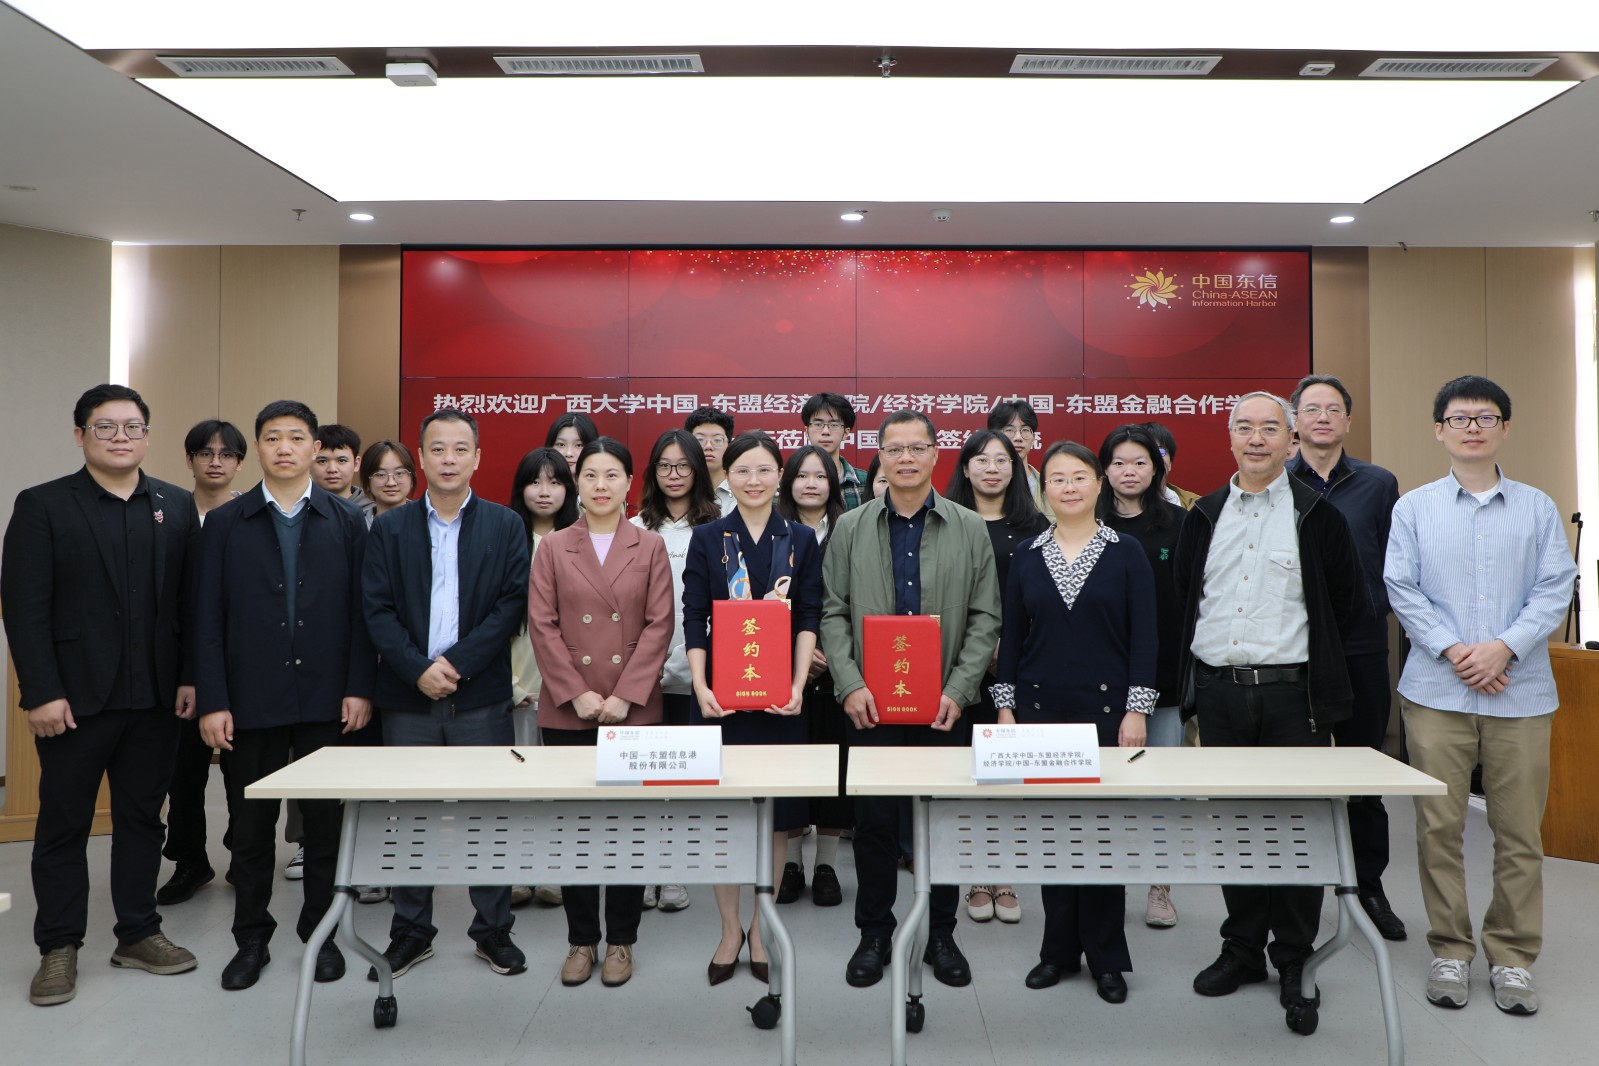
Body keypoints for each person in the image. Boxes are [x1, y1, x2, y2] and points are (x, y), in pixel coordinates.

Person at [1384, 375, 1577, 1016]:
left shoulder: (1537, 507)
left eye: (1485, 417)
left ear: (1504, 428)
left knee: (1518, 832)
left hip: (1520, 691)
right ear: (1439, 430)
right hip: (1437, 691)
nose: (1472, 427)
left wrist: (1504, 648)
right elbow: (1401, 586)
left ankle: (1512, 956)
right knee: (1438, 827)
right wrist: (1456, 651)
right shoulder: (1414, 508)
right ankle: (1450, 948)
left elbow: (1555, 586)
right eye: (1459, 418)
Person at [3, 384, 200, 1007]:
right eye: (105, 426)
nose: (120, 437)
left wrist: (190, 676)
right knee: (64, 824)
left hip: (156, 698)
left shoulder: (175, 504)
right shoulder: (43, 505)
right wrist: (40, 692)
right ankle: (58, 946)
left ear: (147, 435)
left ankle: (138, 932)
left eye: (132, 427)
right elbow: (24, 607)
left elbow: (190, 603)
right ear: (80, 435)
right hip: (73, 701)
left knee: (142, 819)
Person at [1174, 392, 1365, 1010]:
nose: (1256, 439)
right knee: (1234, 827)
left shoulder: (1317, 515)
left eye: (1269, 428)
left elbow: (1346, 606)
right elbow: (1185, 599)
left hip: (1293, 695)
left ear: (1291, 440)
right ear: (1229, 438)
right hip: (1220, 693)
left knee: (1294, 829)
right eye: (1244, 428)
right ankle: (1241, 948)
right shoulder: (1203, 515)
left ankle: (1294, 957)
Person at [195, 400, 375, 991]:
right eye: (273, 437)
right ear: (259, 448)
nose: (285, 448)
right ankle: (251, 939)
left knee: (324, 828)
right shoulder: (227, 522)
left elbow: (362, 614)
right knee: (250, 830)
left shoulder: (345, 520)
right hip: (250, 701)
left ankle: (321, 936)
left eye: (297, 438)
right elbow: (207, 618)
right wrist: (214, 701)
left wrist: (358, 687)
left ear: (314, 448)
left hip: (327, 699)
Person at [820, 410, 1002, 990]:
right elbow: (832, 613)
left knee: (941, 821)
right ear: (879, 456)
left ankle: (941, 933)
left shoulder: (968, 527)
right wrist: (849, 683)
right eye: (894, 448)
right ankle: (875, 932)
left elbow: (985, 617)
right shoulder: (850, 527)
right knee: (873, 822)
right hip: (870, 704)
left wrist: (960, 689)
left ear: (934, 455)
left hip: (944, 704)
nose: (905, 458)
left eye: (916, 448)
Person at [361, 408, 531, 980]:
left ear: (478, 457)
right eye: (438, 449)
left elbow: (511, 604)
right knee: (411, 816)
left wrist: (454, 664)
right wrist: (418, 670)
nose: (449, 459)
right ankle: (411, 932)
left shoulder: (505, 525)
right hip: (408, 696)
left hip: (479, 695)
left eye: (461, 449)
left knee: (488, 815)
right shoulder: (389, 529)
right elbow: (376, 608)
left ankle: (493, 930)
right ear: (421, 458)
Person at [994, 441, 1156, 1004]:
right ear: (1044, 489)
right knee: (1054, 835)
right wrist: (1006, 705)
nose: (1068, 487)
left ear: (1098, 484)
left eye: (1079, 476)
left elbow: (1146, 636)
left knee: (1102, 837)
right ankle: (1057, 952)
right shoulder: (1027, 554)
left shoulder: (1125, 551)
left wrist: (1137, 709)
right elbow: (1012, 637)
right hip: (1041, 713)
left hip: (1108, 715)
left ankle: (1107, 958)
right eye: (1057, 478)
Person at [529, 437, 674, 988]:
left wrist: (626, 695)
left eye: (612, 475)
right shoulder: (553, 546)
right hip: (570, 708)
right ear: (577, 482)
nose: (601, 485)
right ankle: (581, 939)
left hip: (632, 709)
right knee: (575, 830)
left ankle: (621, 940)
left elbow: (660, 624)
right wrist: (576, 692)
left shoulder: (650, 545)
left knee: (629, 830)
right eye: (590, 475)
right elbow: (542, 625)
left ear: (629, 483)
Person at [684, 433, 822, 983]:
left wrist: (798, 684)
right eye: (742, 470)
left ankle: (762, 931)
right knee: (727, 818)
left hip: (781, 699)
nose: (754, 480)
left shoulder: (801, 538)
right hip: (722, 697)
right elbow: (694, 614)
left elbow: (808, 614)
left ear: (779, 476)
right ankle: (729, 929)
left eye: (765, 469)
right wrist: (699, 686)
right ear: (727, 476)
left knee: (778, 819)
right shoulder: (708, 537)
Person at [1287, 374, 1407, 942]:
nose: (1322, 418)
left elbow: (1396, 563)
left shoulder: (1378, 484)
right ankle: (1299, 896)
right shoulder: (1277, 482)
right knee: (1299, 777)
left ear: (1348, 421)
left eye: (1333, 409)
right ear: (1295, 421)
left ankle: (1368, 887)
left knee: (1363, 771)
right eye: (1311, 409)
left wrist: (1367, 608)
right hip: (1297, 650)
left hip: (1360, 645)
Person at [945, 428, 1047, 925]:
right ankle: (974, 876)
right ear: (965, 468)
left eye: (1002, 459)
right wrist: (977, 649)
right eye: (981, 460)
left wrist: (1009, 649)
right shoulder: (946, 521)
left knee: (1007, 773)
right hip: (957, 665)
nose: (991, 468)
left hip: (1018, 663)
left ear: (1017, 467)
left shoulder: (1036, 527)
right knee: (966, 772)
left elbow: (1041, 600)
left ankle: (1004, 874)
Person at [1097, 423, 1187, 928]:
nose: (1129, 472)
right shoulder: (1087, 522)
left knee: (1162, 783)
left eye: (1139, 463)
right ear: (1104, 470)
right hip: (1099, 675)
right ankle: (1102, 885)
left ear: (1157, 469)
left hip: (1162, 672)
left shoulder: (1179, 523)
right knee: (1104, 786)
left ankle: (1160, 885)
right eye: (1118, 463)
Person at [157, 419, 248, 908]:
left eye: (226, 454)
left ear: (239, 463)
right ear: (189, 460)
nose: (216, 462)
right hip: (178, 668)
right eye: (205, 453)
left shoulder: (252, 514)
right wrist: (188, 672)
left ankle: (243, 855)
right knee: (183, 773)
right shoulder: (168, 513)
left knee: (242, 770)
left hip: (241, 665)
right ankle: (190, 860)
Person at [632, 429, 721, 913]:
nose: (674, 474)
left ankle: (675, 871)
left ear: (698, 471)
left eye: (683, 465)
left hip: (700, 674)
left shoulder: (719, 526)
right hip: (642, 675)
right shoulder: (633, 527)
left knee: (686, 778)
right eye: (664, 466)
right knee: (648, 778)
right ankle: (646, 870)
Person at [775, 444, 851, 908]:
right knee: (790, 771)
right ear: (788, 483)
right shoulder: (775, 531)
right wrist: (798, 654)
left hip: (841, 672)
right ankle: (790, 864)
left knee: (835, 772)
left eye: (820, 476)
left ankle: (825, 865)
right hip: (784, 673)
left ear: (833, 484)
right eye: (801, 475)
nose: (810, 484)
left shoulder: (850, 528)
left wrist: (834, 653)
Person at [801, 391, 866, 511]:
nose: (825, 431)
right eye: (818, 424)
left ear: (846, 432)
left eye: (834, 425)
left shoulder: (864, 482)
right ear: (807, 431)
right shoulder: (792, 480)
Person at [988, 399, 1044, 507]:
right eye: (1009, 430)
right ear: (994, 436)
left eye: (1025, 430)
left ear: (1033, 437)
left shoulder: (1048, 487)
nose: (1018, 437)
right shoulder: (984, 483)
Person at [686, 404, 737, 515]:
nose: (708, 446)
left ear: (729, 445)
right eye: (700, 439)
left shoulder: (741, 490)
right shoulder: (679, 490)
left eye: (717, 440)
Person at [1141, 422, 1202, 509]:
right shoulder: (1120, 507)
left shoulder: (1196, 506)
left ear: (1170, 463)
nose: (1152, 458)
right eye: (1144, 451)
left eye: (1159, 451)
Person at [311, 422, 368, 516]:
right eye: (322, 461)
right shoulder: (296, 510)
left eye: (341, 461)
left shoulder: (375, 513)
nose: (332, 469)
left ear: (356, 464)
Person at [358, 439, 417, 526]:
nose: (391, 483)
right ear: (367, 481)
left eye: (399, 473)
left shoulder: (428, 521)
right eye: (381, 475)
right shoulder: (356, 525)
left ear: (412, 478)